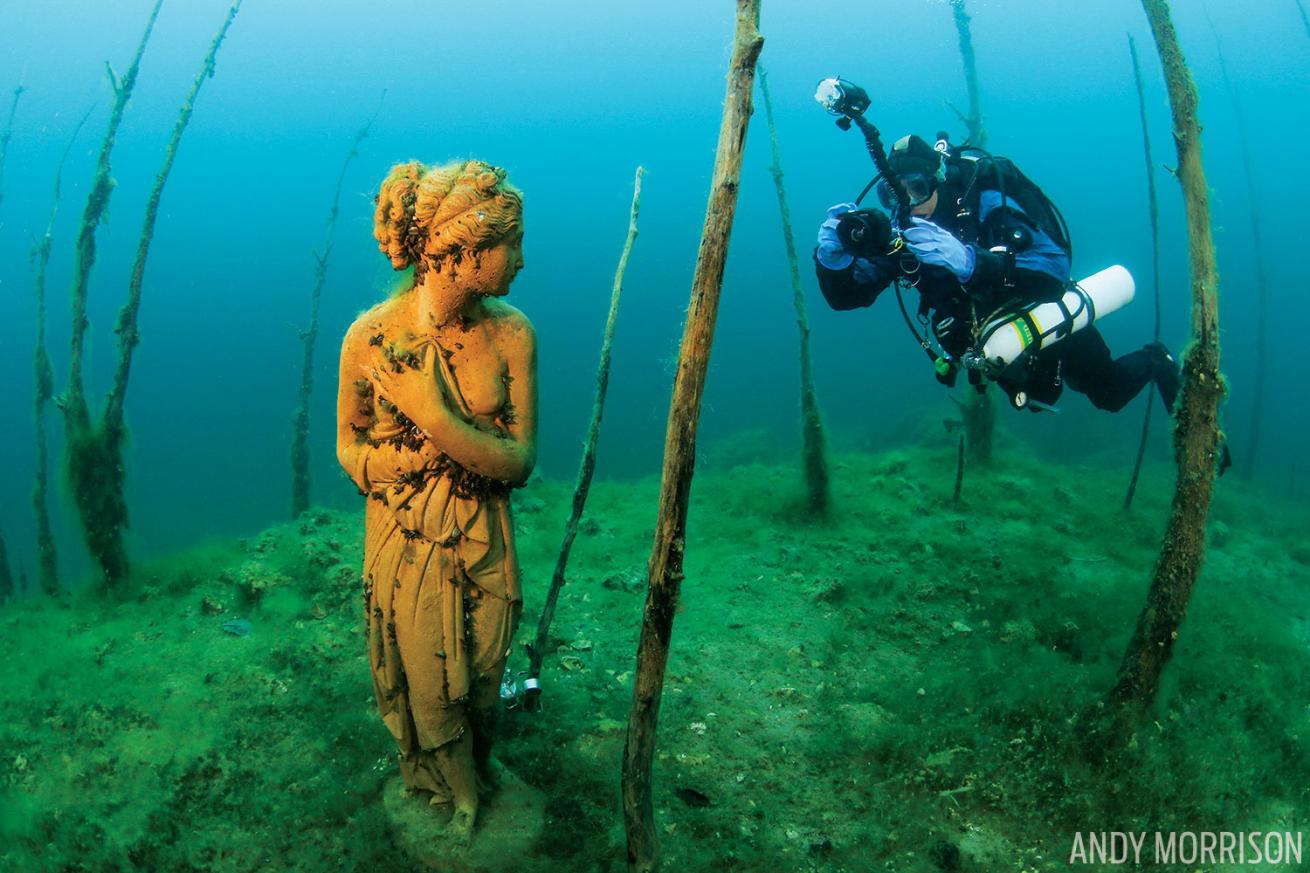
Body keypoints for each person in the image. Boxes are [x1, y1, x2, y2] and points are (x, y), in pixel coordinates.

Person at [336, 158, 537, 843]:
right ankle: (455, 793)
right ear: (465, 253)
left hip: (485, 534)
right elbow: (349, 449)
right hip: (408, 539)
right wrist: (412, 457)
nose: (521, 262)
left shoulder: (513, 335)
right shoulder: (370, 337)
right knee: (428, 680)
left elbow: (518, 462)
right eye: (512, 246)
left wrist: (436, 416)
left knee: (483, 677)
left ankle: (474, 770)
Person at [815, 133, 1179, 413]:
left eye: (918, 188)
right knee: (1039, 395)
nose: (908, 203)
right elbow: (847, 297)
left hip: (1041, 309)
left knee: (1108, 393)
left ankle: (1157, 360)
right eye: (893, 193)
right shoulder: (899, 233)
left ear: (938, 180)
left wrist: (971, 262)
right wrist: (830, 260)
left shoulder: (988, 200)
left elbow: (1053, 270)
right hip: (988, 336)